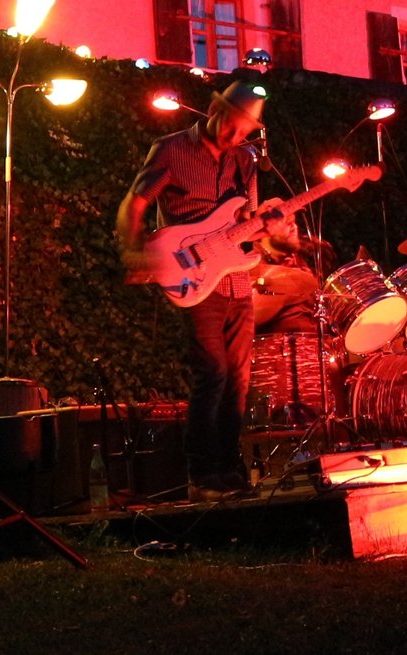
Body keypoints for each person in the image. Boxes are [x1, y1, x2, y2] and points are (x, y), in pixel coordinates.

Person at [115, 74, 283, 499]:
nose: (235, 136)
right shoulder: (172, 150)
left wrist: (271, 228)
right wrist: (133, 252)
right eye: (232, 125)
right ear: (213, 110)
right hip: (192, 275)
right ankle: (202, 473)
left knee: (240, 380)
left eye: (245, 131)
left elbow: (246, 223)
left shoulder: (245, 160)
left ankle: (230, 471)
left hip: (236, 279)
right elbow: (134, 205)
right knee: (213, 374)